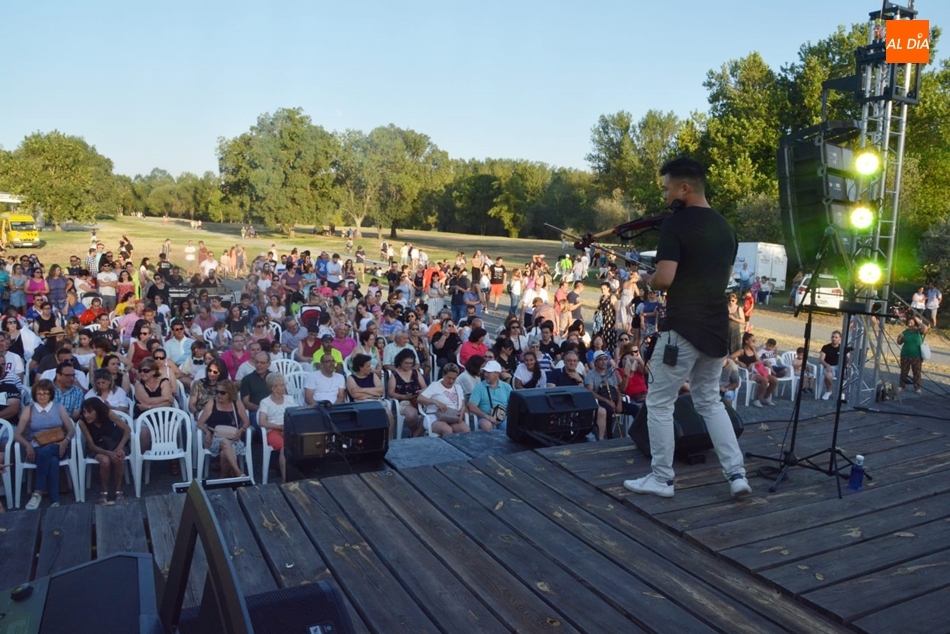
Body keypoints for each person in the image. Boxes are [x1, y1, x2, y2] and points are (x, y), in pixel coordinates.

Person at [623, 157, 751, 499]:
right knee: (710, 400)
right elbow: (723, 279)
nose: (665, 196)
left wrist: (648, 280)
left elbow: (664, 278)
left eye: (667, 188)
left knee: (661, 403)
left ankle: (662, 479)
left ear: (684, 188)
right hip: (715, 327)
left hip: (681, 328)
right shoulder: (726, 228)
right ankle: (737, 475)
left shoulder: (675, 225)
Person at [14, 379, 76, 510]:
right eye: (39, 393)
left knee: (48, 452)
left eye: (45, 393)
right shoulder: (29, 409)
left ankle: (37, 492)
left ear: (50, 394)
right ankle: (54, 500)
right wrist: (28, 446)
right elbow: (17, 434)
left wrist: (65, 442)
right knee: (51, 460)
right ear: (35, 395)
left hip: (58, 446)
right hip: (36, 448)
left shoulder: (59, 407)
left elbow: (71, 429)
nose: (42, 396)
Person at [77, 397, 132, 504]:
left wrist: (120, 447)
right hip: (97, 447)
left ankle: (118, 489)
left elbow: (127, 429)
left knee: (119, 456)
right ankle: (104, 490)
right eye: (84, 412)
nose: (86, 415)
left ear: (97, 411)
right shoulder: (82, 423)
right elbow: (91, 445)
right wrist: (109, 453)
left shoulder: (109, 414)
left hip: (114, 442)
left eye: (89, 412)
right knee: (105, 461)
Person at [196, 379, 250, 479]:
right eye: (217, 392)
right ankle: (238, 472)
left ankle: (223, 478)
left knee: (224, 452)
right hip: (215, 438)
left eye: (222, 393)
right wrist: (207, 432)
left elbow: (246, 421)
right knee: (225, 442)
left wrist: (241, 430)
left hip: (233, 438)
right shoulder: (212, 403)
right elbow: (200, 423)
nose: (219, 395)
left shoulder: (236, 403)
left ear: (230, 393)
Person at [257, 373, 296, 483]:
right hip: (273, 431)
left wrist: (287, 428)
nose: (285, 387)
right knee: (285, 447)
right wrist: (279, 427)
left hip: (289, 429)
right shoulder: (265, 402)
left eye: (284, 384)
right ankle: (285, 481)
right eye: (282, 385)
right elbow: (262, 422)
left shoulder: (289, 399)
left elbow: (296, 415)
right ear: (274, 388)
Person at [418, 362, 469, 437]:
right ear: (443, 375)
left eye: (454, 378)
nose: (451, 381)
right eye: (449, 378)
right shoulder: (435, 385)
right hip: (435, 416)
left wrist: (462, 412)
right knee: (447, 430)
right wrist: (435, 402)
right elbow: (420, 399)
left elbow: (462, 404)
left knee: (466, 430)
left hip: (452, 416)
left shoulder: (458, 387)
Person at [730, 331, 778, 408]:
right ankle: (757, 400)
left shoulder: (753, 350)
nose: (755, 342)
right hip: (748, 373)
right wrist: (739, 362)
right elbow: (730, 357)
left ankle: (766, 397)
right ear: (746, 341)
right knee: (765, 380)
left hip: (757, 370)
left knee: (775, 380)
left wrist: (754, 355)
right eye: (753, 341)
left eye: (755, 341)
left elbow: (758, 361)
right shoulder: (742, 351)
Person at [387, 348, 427, 437]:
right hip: (403, 401)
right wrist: (405, 397)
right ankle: (416, 433)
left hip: (418, 399)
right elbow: (391, 393)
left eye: (411, 363)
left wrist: (421, 391)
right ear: (400, 362)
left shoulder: (415, 372)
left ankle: (416, 434)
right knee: (412, 415)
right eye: (406, 363)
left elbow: (424, 386)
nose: (409, 365)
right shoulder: (395, 375)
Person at [467, 360, 511, 431]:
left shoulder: (506, 387)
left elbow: (512, 405)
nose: (485, 374)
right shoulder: (479, 387)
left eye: (489, 372)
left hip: (503, 417)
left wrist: (503, 416)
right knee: (486, 425)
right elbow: (472, 406)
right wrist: (486, 416)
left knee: (510, 426)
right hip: (485, 417)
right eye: (485, 372)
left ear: (497, 374)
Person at [897, 316, 928, 394]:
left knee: (916, 372)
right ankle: (901, 386)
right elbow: (899, 342)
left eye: (911, 323)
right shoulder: (905, 332)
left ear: (915, 323)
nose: (909, 325)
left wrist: (920, 322)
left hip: (916, 355)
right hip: (905, 354)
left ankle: (917, 387)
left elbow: (925, 328)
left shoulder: (919, 332)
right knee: (904, 371)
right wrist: (899, 337)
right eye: (908, 323)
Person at [819, 330, 849, 401]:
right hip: (830, 367)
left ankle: (842, 393)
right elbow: (821, 360)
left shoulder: (843, 348)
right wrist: (827, 365)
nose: (834, 339)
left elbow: (849, 359)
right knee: (828, 375)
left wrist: (847, 364)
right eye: (833, 337)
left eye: (836, 337)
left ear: (840, 338)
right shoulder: (826, 347)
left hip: (841, 367)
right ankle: (829, 391)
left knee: (848, 375)